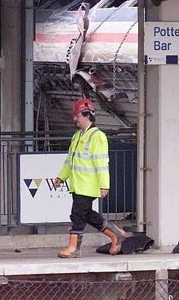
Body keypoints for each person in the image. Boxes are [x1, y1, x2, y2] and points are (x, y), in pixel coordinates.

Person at [54, 98, 126, 258]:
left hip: (88, 185)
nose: (74, 119)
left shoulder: (97, 136)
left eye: (77, 116)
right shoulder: (77, 136)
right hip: (78, 185)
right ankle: (116, 234)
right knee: (87, 215)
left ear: (86, 115)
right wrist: (61, 177)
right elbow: (70, 161)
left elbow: (102, 163)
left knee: (77, 214)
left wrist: (104, 185)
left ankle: (74, 249)